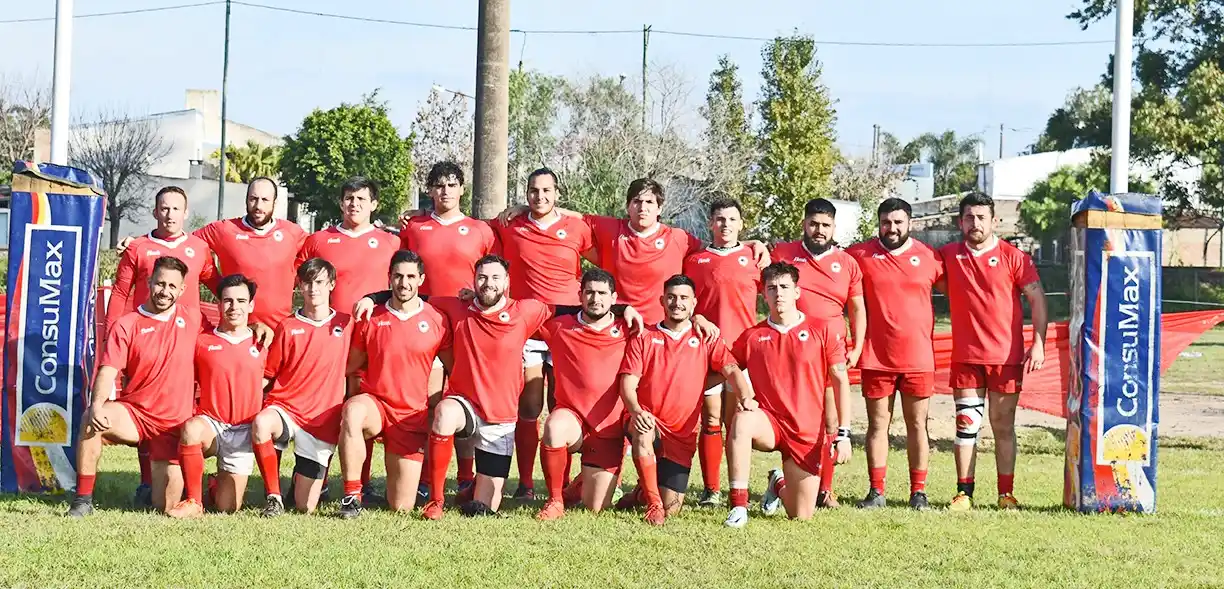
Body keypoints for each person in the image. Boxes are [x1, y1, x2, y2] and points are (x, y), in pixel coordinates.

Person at [499, 178, 769, 325]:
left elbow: (719, 249)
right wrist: (528, 209)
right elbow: (570, 216)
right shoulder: (608, 229)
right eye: (637, 202)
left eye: (650, 202)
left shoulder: (678, 238)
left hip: (660, 327)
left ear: (659, 208)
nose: (643, 208)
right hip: (614, 322)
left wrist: (750, 244)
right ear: (628, 206)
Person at [106, 186, 219, 506]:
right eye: (164, 209)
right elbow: (119, 293)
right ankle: (146, 481)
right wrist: (116, 337)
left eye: (176, 209)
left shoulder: (199, 248)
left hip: (186, 345)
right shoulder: (138, 247)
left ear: (186, 213)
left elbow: (217, 284)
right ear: (155, 212)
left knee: (186, 413)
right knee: (142, 408)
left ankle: (193, 477)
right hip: (144, 345)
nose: (170, 215)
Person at [489, 168, 594, 501]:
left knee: (560, 405)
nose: (540, 197)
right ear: (526, 193)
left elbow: (604, 257)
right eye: (534, 191)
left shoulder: (577, 227)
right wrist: (417, 214)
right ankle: (526, 484)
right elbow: (468, 231)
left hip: (567, 328)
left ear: (557, 193)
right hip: (530, 326)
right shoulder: (510, 225)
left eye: (547, 190)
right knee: (530, 405)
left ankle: (559, 483)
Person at [68, 257, 201, 517]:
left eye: (173, 286)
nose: (165, 291)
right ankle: (83, 500)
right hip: (136, 415)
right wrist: (97, 405)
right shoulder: (127, 324)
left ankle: (161, 490)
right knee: (90, 420)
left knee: (165, 507)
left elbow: (228, 330)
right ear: (149, 282)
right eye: (160, 283)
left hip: (173, 425)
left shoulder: (194, 319)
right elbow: (107, 371)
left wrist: (257, 326)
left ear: (182, 290)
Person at [940, 193, 1047, 511]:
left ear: (993, 221)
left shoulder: (1015, 257)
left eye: (981, 217)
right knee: (966, 426)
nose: (975, 223)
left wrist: (1038, 343)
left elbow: (1038, 300)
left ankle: (1006, 494)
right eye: (969, 218)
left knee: (1003, 424)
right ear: (961, 222)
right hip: (966, 358)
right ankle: (964, 493)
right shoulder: (947, 255)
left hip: (1006, 358)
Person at [618, 275, 750, 526]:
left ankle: (641, 492)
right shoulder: (644, 337)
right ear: (662, 301)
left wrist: (745, 397)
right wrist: (635, 411)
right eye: (671, 297)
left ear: (693, 304)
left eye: (683, 298)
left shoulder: (706, 338)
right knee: (643, 431)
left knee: (673, 508)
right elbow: (628, 384)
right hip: (649, 421)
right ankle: (653, 504)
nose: (676, 303)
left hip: (682, 434)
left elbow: (732, 369)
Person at [295, 176, 399, 497]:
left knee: (360, 408)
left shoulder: (391, 242)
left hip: (372, 339)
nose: (354, 204)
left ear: (374, 205)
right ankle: (319, 478)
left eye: (361, 199)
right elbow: (299, 280)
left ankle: (362, 482)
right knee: (326, 406)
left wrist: (375, 299)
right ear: (341, 203)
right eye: (349, 198)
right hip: (329, 338)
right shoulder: (319, 240)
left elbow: (403, 283)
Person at [398, 162, 495, 501]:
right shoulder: (415, 227)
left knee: (466, 398)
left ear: (462, 189)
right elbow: (403, 270)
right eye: (438, 185)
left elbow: (494, 277)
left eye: (452, 185)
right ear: (429, 190)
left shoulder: (480, 230)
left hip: (468, 325)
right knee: (432, 401)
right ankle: (426, 477)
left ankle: (466, 476)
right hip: (426, 324)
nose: (445, 191)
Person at [723, 262, 846, 528]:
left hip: (806, 431)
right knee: (742, 421)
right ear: (763, 294)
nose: (778, 293)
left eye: (784, 287)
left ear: (797, 292)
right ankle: (738, 507)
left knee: (800, 514)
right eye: (771, 288)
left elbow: (840, 379)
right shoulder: (753, 336)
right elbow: (726, 365)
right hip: (769, 423)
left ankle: (777, 483)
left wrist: (843, 434)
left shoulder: (822, 328)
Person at [337, 250, 451, 518]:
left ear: (421, 279)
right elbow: (349, 365)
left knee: (401, 506)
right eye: (398, 276)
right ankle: (352, 496)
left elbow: (455, 367)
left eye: (411, 276)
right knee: (353, 411)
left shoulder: (437, 320)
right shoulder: (371, 317)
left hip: (411, 416)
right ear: (389, 279)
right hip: (376, 404)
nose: (404, 282)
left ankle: (393, 487)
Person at [845, 198, 942, 510]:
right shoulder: (859, 255)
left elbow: (966, 287)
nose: (892, 228)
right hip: (876, 358)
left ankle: (919, 493)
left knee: (918, 426)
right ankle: (876, 492)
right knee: (877, 426)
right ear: (879, 223)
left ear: (910, 223)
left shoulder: (929, 257)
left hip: (919, 359)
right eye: (886, 222)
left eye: (898, 222)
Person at [768, 198, 864, 508]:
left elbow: (857, 307)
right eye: (813, 224)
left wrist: (859, 346)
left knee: (830, 419)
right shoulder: (783, 254)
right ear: (804, 224)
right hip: (791, 350)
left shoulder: (847, 262)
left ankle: (825, 489)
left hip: (831, 351)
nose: (818, 230)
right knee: (796, 418)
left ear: (834, 227)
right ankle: (787, 480)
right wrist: (757, 245)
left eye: (825, 225)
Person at [251, 258, 353, 516]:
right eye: (307, 282)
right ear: (299, 286)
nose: (313, 288)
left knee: (305, 507)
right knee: (263, 423)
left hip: (321, 419)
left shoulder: (347, 323)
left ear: (331, 284)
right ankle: (273, 497)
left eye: (319, 282)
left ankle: (299, 478)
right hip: (285, 407)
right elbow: (268, 374)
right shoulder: (287, 326)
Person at [166, 274, 267, 518]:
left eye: (241, 301)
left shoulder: (263, 341)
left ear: (251, 306)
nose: (234, 307)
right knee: (190, 429)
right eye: (228, 301)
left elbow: (272, 377)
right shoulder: (201, 341)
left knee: (228, 508)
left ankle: (214, 485)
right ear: (219, 304)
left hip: (243, 430)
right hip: (211, 424)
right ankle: (193, 501)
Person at [534, 268, 631, 520]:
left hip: (608, 429)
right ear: (580, 295)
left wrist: (700, 320)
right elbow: (518, 314)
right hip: (573, 418)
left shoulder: (629, 328)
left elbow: (668, 328)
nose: (595, 298)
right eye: (589, 292)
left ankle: (579, 485)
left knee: (595, 507)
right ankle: (555, 500)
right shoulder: (559, 326)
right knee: (554, 427)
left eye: (601, 293)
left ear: (614, 297)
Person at [682, 197, 761, 507]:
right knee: (711, 419)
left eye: (732, 219)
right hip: (707, 351)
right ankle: (711, 490)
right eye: (720, 219)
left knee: (737, 420)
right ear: (711, 224)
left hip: (743, 353)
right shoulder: (695, 260)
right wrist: (696, 317)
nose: (725, 224)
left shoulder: (755, 257)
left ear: (741, 224)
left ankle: (736, 487)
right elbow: (683, 300)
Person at [191, 177, 307, 327]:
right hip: (235, 329)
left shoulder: (292, 232)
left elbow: (314, 252)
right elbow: (188, 246)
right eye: (253, 199)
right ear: (246, 200)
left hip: (279, 331)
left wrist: (293, 278)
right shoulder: (224, 230)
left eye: (265, 200)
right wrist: (214, 281)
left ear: (275, 203)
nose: (258, 205)